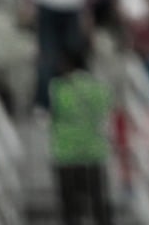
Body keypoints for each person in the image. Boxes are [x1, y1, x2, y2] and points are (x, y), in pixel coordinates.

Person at [49, 45, 114, 225]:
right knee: (98, 203)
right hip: (94, 153)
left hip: (67, 154)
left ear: (68, 64)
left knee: (70, 206)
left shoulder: (59, 87)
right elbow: (106, 112)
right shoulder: (99, 88)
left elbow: (55, 115)